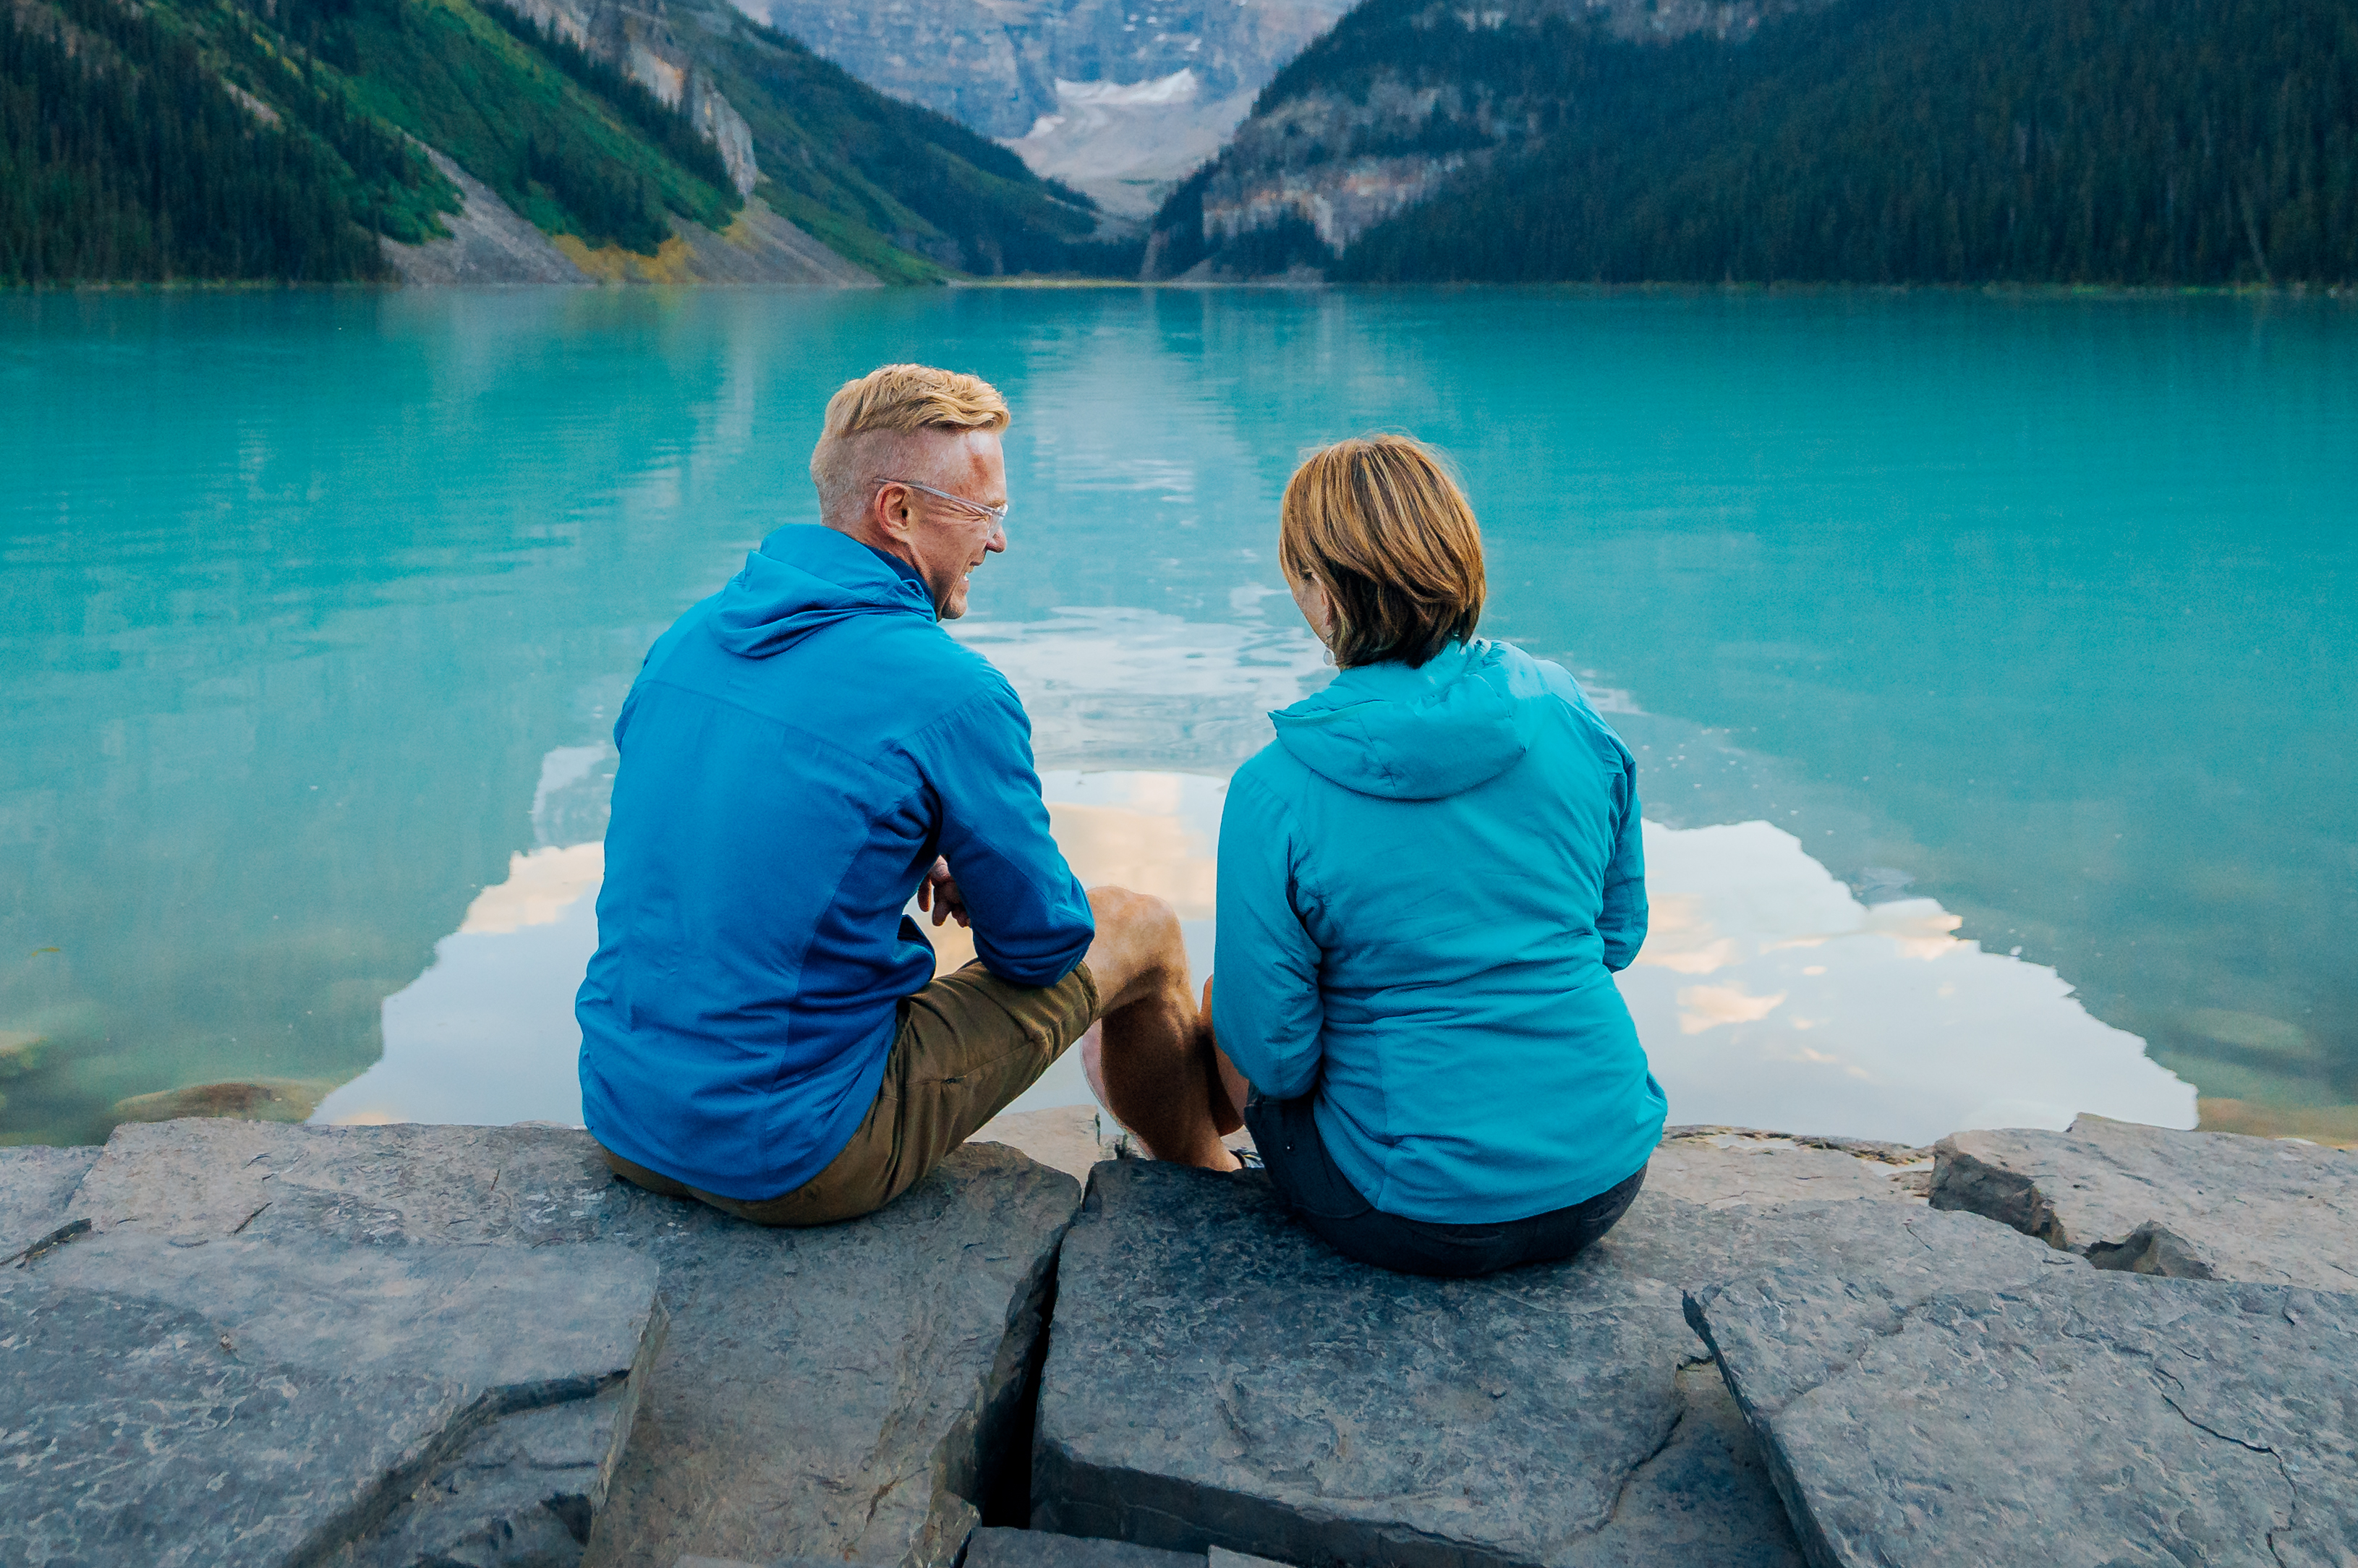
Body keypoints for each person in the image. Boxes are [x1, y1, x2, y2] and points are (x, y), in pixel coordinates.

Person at [576, 362, 1235, 1223]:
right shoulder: (951, 693)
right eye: (985, 512)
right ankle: (1210, 1179)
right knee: (1140, 928)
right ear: (898, 511)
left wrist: (907, 835)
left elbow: (719, 828)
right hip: (793, 1157)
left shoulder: (684, 641)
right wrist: (977, 862)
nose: (996, 541)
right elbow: (1038, 949)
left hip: (624, 1117)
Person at [1208, 433, 1667, 1278]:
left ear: (1321, 592)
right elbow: (1616, 935)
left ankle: (1194, 1178)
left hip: (1412, 1210)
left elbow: (1276, 1057)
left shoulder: (1275, 788)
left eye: (1296, 573)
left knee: (1224, 995)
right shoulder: (1565, 707)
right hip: (1607, 1174)